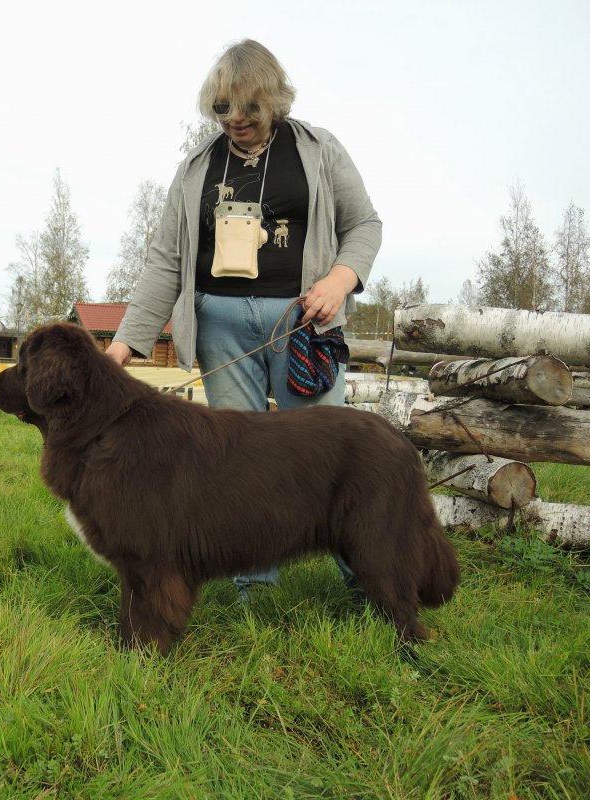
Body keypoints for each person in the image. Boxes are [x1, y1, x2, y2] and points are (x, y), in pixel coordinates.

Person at [106, 39, 382, 598]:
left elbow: (365, 225)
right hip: (220, 327)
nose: (235, 120)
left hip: (302, 326)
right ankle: (253, 591)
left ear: (273, 101)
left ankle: (372, 582)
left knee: (325, 459)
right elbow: (166, 262)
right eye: (222, 109)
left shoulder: (320, 150)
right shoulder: (195, 169)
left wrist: (340, 280)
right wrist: (122, 348)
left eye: (249, 109)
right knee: (237, 469)